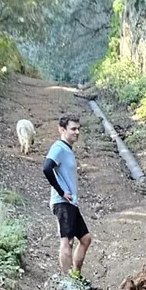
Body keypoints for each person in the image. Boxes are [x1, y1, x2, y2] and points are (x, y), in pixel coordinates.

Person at [43, 114, 92, 278]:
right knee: (67, 241)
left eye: (78, 129)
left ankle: (76, 277)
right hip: (62, 202)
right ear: (62, 129)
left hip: (71, 203)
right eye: (73, 129)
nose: (77, 132)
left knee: (85, 239)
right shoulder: (59, 147)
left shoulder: (68, 149)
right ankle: (68, 283)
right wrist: (61, 191)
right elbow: (47, 168)